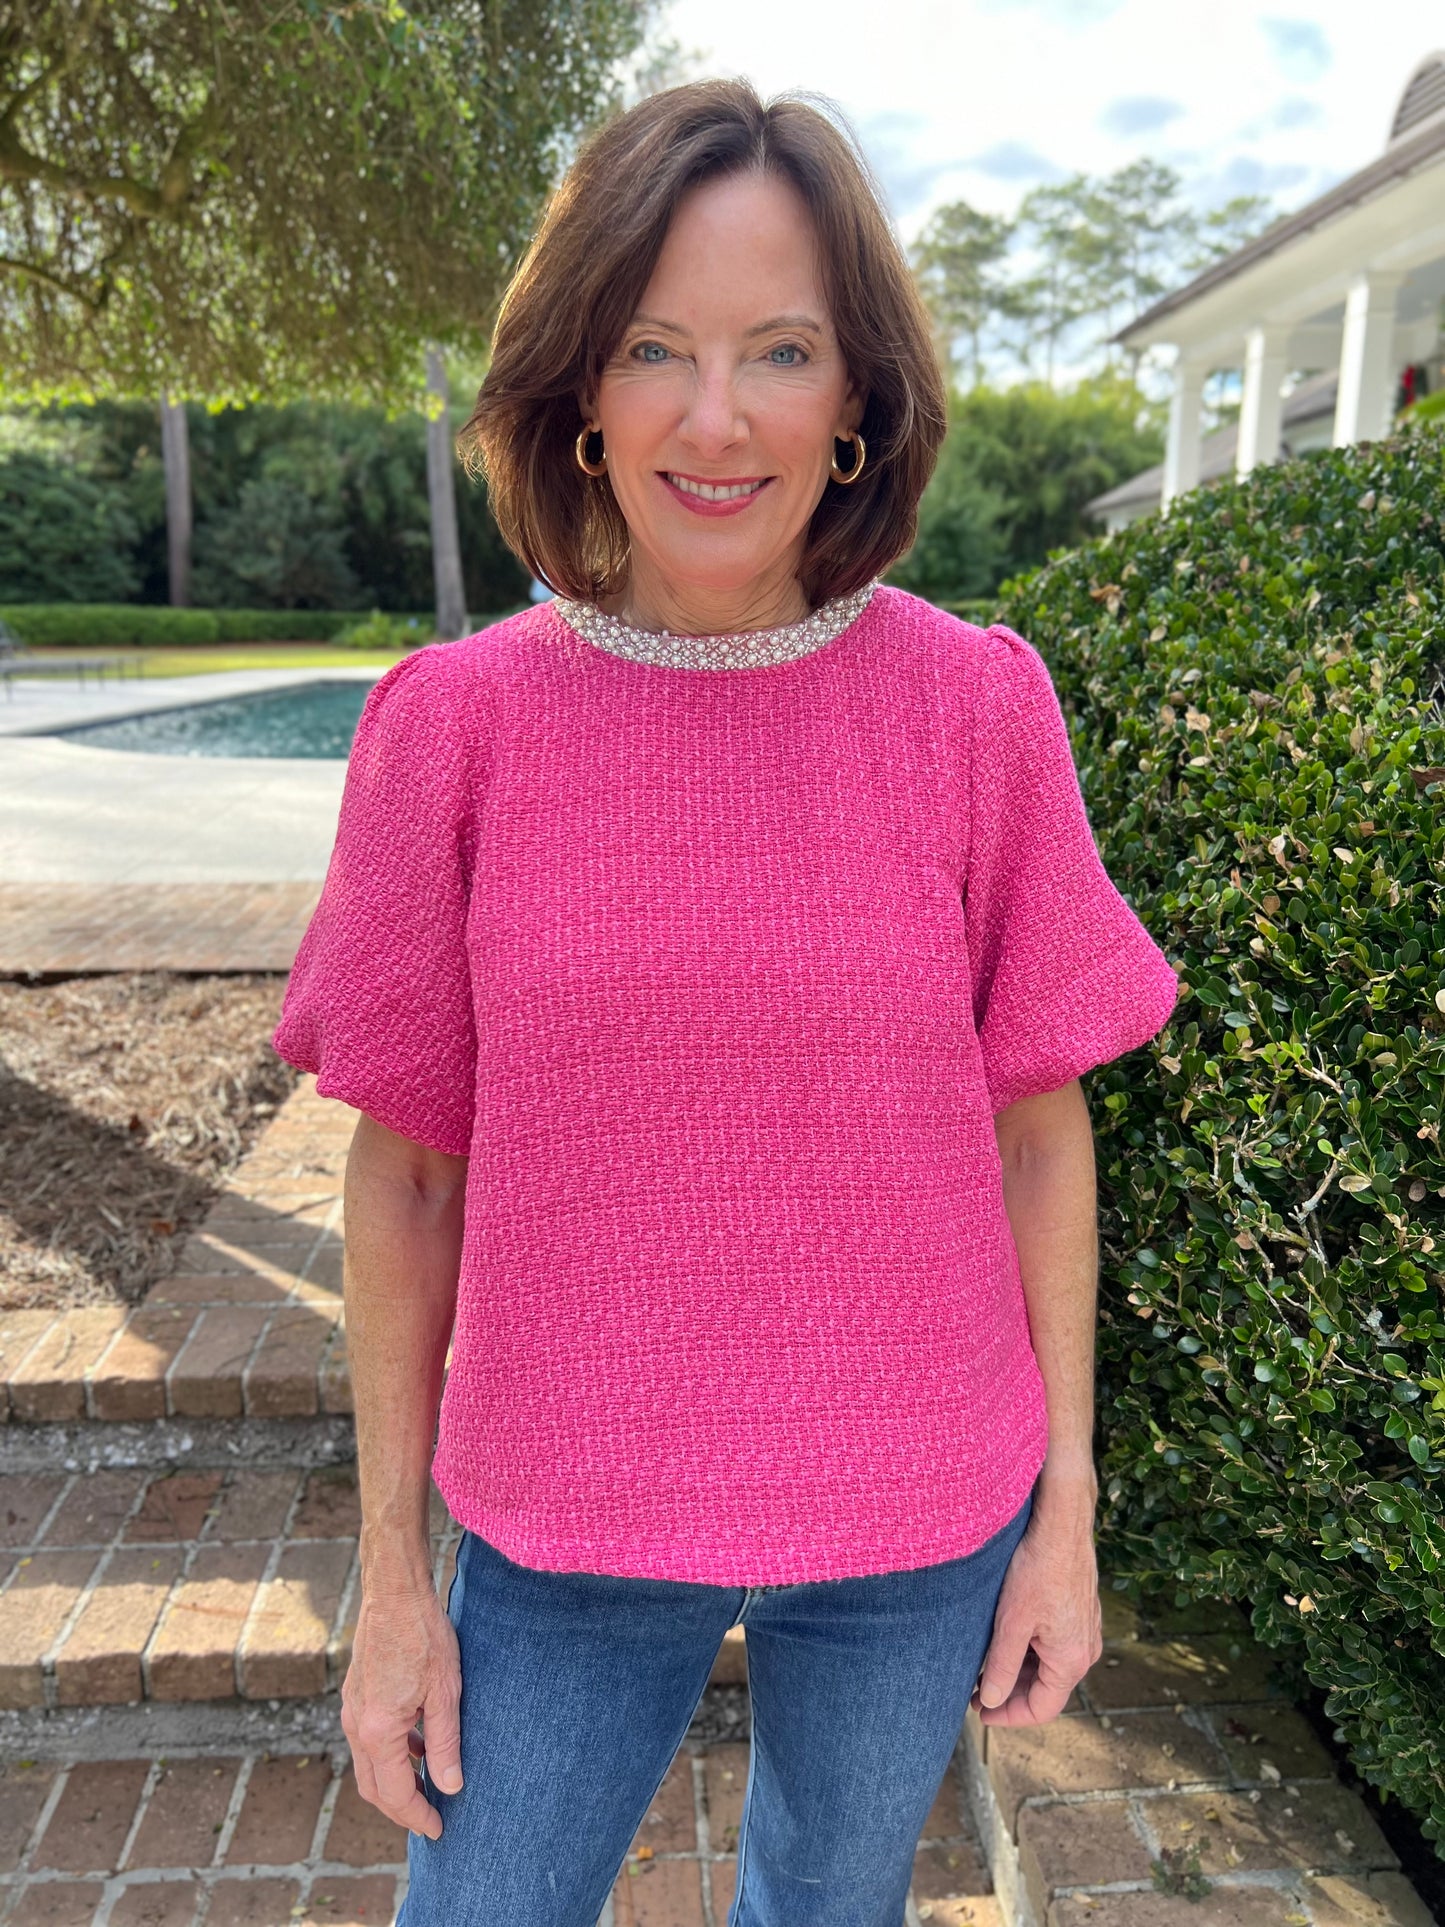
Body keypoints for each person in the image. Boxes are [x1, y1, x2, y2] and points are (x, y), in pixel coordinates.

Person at [271, 76, 1179, 1927]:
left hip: (922, 1510)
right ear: (575, 396)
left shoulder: (973, 711)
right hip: (563, 1515)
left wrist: (1064, 1510)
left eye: (780, 351)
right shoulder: (453, 730)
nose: (713, 416)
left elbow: (1033, 1124)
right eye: (653, 349)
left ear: (855, 404)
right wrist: (387, 1579)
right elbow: (410, 1175)